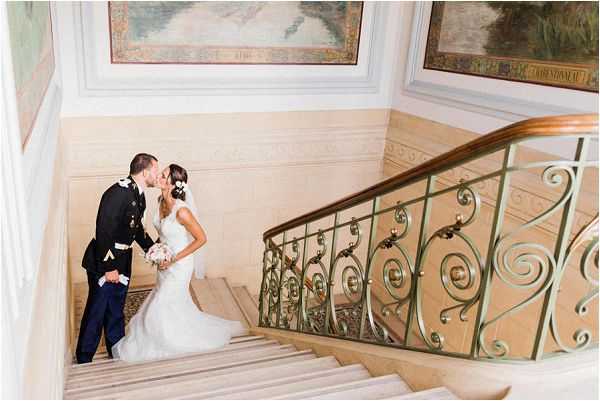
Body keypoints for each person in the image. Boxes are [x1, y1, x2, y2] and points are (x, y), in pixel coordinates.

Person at [112, 163, 246, 362]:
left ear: (174, 184)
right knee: (173, 304)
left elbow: (202, 238)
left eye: (164, 176)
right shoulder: (159, 201)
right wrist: (157, 252)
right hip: (165, 263)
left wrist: (173, 258)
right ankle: (164, 334)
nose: (159, 177)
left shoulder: (182, 212)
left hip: (180, 265)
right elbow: (162, 236)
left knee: (161, 303)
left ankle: (167, 341)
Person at [76, 153, 159, 364]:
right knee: (97, 310)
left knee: (116, 309)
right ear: (145, 171)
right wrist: (109, 267)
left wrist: (154, 250)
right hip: (106, 261)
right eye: (156, 171)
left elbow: (137, 230)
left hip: (123, 259)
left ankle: (117, 350)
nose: (157, 176)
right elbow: (104, 231)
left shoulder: (138, 194)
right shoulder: (118, 193)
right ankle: (84, 357)